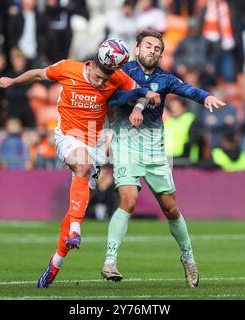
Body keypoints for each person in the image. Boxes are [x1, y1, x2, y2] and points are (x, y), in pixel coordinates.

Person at [0, 41, 161, 288]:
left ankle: (56, 262)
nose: (100, 82)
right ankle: (75, 229)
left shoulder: (116, 77)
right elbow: (38, 74)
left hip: (96, 144)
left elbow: (140, 90)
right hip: (68, 136)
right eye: (98, 76)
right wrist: (13, 81)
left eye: (106, 78)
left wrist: (143, 100)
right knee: (82, 167)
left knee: (79, 206)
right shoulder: (67, 68)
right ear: (93, 63)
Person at [101, 30, 226, 288]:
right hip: (125, 145)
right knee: (128, 200)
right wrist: (139, 96)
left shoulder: (165, 78)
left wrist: (206, 97)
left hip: (154, 150)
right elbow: (111, 98)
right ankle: (110, 261)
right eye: (148, 46)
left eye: (158, 48)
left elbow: (188, 89)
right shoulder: (122, 72)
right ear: (137, 49)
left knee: (170, 208)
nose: (153, 51)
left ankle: (189, 259)